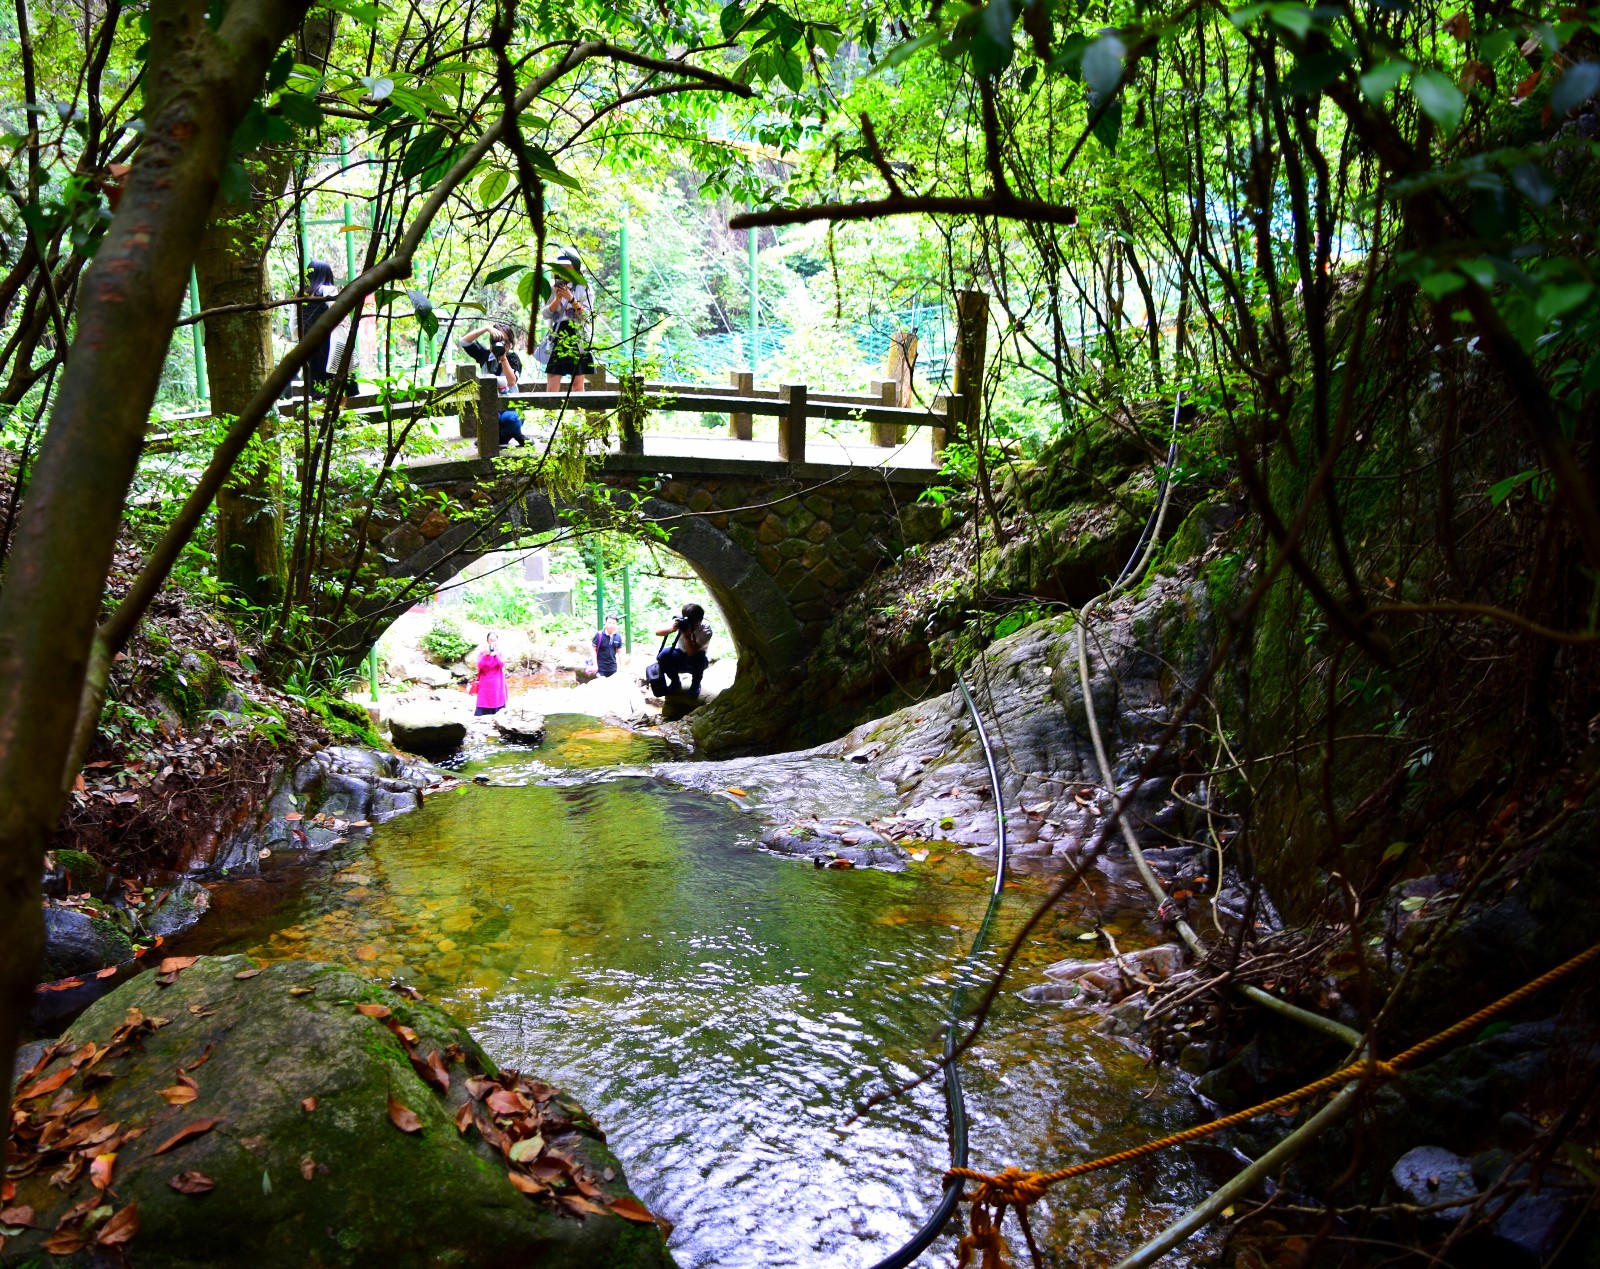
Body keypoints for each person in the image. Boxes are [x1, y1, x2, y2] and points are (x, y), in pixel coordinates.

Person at [538, 249, 594, 392]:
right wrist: (557, 299)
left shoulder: (584, 288)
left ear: (575, 268)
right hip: (557, 335)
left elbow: (587, 316)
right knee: (552, 381)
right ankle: (551, 414)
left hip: (577, 336)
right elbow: (545, 314)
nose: (564, 271)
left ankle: (578, 414)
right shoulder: (551, 288)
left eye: (568, 267)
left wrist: (571, 299)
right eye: (561, 268)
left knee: (577, 384)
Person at [299, 260, 342, 396]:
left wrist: (299, 337)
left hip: (309, 340)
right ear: (327, 275)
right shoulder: (329, 291)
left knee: (316, 377)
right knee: (333, 376)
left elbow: (295, 321)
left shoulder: (301, 294)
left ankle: (318, 409)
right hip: (328, 340)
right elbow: (339, 314)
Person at [653, 603, 713, 697]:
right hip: (680, 653)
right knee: (663, 656)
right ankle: (675, 682)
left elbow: (691, 652)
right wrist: (672, 628)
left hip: (696, 659)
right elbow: (658, 632)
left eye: (693, 623)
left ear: (700, 620)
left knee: (699, 658)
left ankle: (695, 684)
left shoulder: (706, 630)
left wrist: (687, 635)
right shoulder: (680, 621)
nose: (690, 625)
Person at [458, 322, 522, 394]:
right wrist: (486, 328)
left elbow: (512, 381)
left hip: (510, 402)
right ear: (492, 342)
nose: (502, 344)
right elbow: (463, 341)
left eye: (506, 342)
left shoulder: (513, 358)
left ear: (510, 344)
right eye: (498, 340)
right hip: (488, 400)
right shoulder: (485, 356)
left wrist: (503, 358)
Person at [469, 631, 508, 715]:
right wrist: (485, 655)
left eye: (494, 640)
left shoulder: (500, 652)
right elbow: (479, 665)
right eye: (490, 640)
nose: (492, 642)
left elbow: (502, 664)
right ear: (487, 641)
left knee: (497, 698)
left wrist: (496, 654)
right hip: (485, 680)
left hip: (497, 680)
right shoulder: (482, 652)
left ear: (497, 641)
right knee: (484, 699)